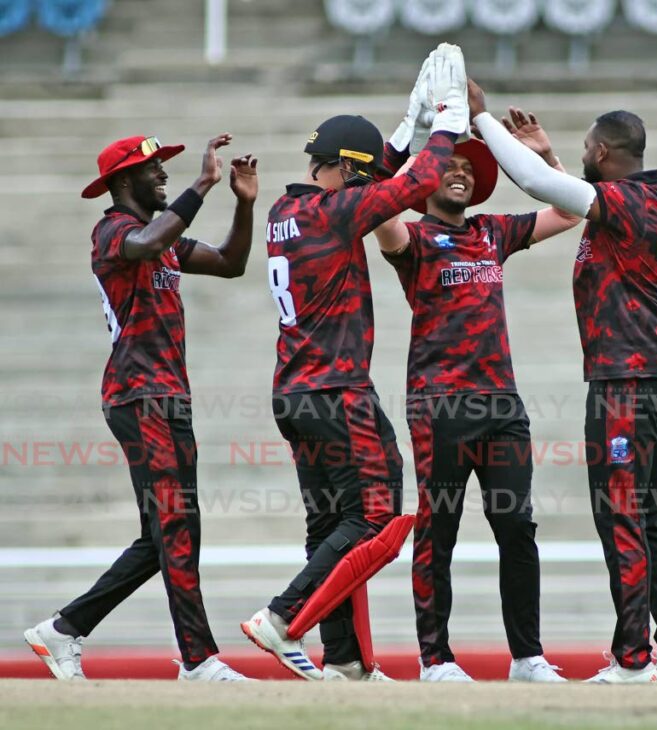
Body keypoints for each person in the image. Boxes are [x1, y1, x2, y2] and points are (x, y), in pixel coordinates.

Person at [239, 46, 467, 682]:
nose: (366, 188)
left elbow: (377, 179)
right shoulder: (340, 211)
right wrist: (447, 118)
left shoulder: (289, 210)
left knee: (328, 525)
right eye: (358, 176)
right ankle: (284, 617)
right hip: (338, 391)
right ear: (339, 170)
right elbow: (414, 185)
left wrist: (407, 123)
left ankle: (343, 660)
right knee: (377, 515)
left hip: (294, 393)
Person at [468, 79, 657, 684]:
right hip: (652, 371)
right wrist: (548, 155)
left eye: (584, 149)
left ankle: (633, 660)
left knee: (622, 512)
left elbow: (546, 191)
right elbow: (567, 192)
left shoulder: (628, 201)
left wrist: (482, 123)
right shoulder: (637, 199)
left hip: (629, 377)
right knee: (647, 515)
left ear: (602, 153)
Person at [24, 133, 259, 682]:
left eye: (165, 169)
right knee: (174, 527)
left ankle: (63, 629)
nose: (162, 176)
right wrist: (203, 184)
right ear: (123, 181)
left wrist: (244, 205)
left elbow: (230, 263)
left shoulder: (163, 237)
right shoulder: (113, 231)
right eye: (152, 169)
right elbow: (149, 243)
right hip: (138, 395)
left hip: (169, 395)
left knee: (171, 533)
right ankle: (199, 660)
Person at [372, 106, 580, 682]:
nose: (460, 174)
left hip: (502, 408)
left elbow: (569, 208)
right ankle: (434, 658)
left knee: (517, 528)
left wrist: (542, 157)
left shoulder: (493, 232)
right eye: (449, 166)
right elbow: (380, 214)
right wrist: (416, 145)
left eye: (468, 167)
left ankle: (527, 657)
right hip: (439, 406)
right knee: (438, 531)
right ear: (427, 179)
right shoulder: (412, 238)